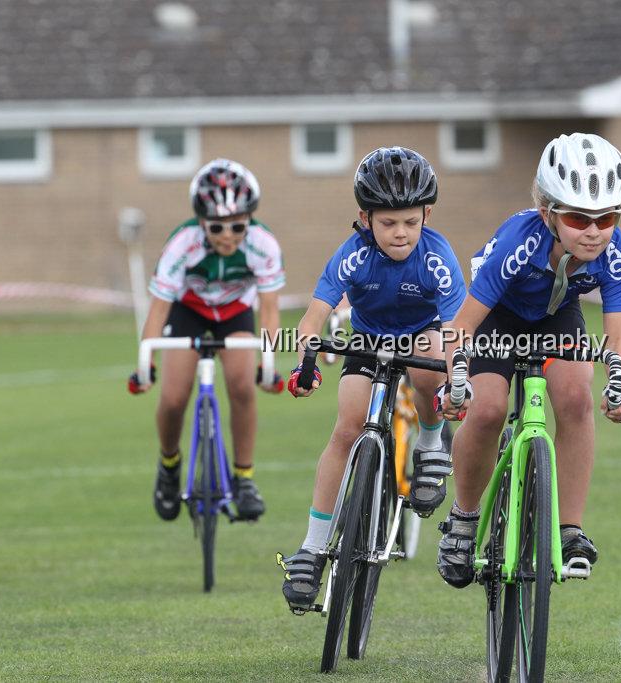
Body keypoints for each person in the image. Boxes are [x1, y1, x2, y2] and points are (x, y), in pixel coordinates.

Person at [436, 133, 621, 587]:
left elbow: (618, 339)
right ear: (548, 213)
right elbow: (461, 328)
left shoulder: (616, 252)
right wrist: (456, 379)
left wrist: (619, 385)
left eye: (606, 218)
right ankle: (464, 519)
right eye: (577, 217)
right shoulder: (519, 243)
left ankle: (569, 531)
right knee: (485, 409)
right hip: (496, 316)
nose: (593, 231)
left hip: (555, 314)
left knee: (576, 398)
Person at [279, 147, 465, 611]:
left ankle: (429, 444)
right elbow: (313, 318)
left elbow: (455, 330)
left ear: (426, 214)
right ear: (364, 218)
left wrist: (454, 380)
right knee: (347, 426)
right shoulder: (353, 254)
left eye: (410, 221)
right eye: (387, 223)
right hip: (369, 338)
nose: (400, 233)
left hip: (424, 336)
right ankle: (313, 546)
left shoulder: (437, 258)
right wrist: (306, 360)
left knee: (428, 370)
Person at [128, 158, 285, 522]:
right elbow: (158, 310)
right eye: (216, 226)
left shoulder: (264, 245)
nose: (227, 235)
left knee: (243, 386)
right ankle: (169, 465)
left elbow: (270, 310)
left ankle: (243, 477)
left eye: (238, 226)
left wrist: (269, 363)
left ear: (251, 220)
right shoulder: (182, 244)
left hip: (235, 313)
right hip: (189, 311)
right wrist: (145, 365)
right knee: (172, 398)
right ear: (201, 222)